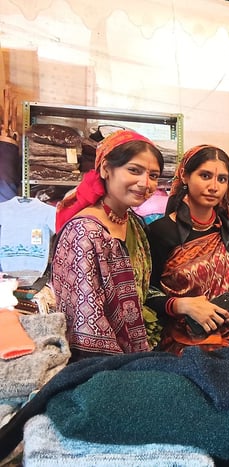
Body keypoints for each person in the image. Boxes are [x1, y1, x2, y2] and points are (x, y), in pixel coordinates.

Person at [51, 130, 163, 361]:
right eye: (134, 170)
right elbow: (87, 324)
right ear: (105, 169)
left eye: (153, 175)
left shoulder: (133, 223)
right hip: (101, 364)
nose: (145, 183)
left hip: (135, 354)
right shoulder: (84, 232)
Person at [146, 145, 229, 355]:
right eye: (205, 176)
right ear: (185, 176)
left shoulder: (227, 230)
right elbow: (144, 293)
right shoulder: (161, 231)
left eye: (222, 179)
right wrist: (182, 305)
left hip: (227, 344)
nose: (214, 187)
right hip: (176, 348)